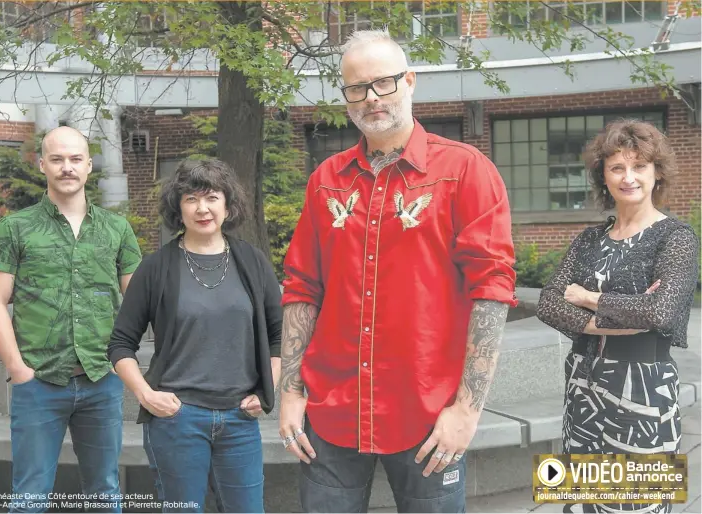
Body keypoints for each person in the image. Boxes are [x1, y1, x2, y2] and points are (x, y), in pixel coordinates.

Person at [278, 29, 517, 513]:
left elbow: (491, 289)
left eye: (383, 83)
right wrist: (291, 391)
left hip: (428, 415)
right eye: (356, 88)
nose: (371, 98)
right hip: (331, 412)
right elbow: (303, 286)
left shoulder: (464, 171)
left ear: (410, 81)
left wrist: (467, 410)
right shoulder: (326, 180)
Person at [537, 119, 699, 513]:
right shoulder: (590, 239)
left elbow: (660, 312)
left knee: (635, 505)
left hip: (643, 387)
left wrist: (588, 297)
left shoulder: (676, 238)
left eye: (639, 166)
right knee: (579, 502)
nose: (629, 177)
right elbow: (548, 302)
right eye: (617, 168)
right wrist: (619, 318)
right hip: (582, 384)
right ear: (603, 176)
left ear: (656, 172)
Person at [0, 126, 142, 513]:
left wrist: (126, 363)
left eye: (75, 159)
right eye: (57, 159)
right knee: (29, 495)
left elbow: (140, 301)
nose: (66, 167)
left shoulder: (116, 228)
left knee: (104, 490)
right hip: (38, 382)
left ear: (88, 165)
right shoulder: (14, 229)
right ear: (42, 165)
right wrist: (17, 368)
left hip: (101, 379)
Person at [107, 159, 282, 513]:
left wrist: (268, 389)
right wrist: (146, 394)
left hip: (240, 418)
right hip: (177, 419)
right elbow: (120, 345)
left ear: (228, 205)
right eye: (191, 199)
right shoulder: (156, 267)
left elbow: (278, 334)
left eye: (212, 197)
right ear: (178, 207)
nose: (202, 208)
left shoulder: (253, 261)